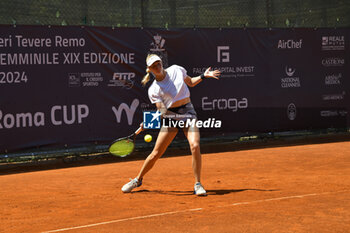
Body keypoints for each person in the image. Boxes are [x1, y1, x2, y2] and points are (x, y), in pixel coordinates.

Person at [121, 54, 220, 196]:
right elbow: (162, 110)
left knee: (195, 145)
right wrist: (150, 120)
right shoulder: (154, 89)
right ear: (149, 69)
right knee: (156, 153)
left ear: (161, 62)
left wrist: (203, 76)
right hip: (170, 115)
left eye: (158, 63)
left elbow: (191, 82)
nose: (157, 66)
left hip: (187, 110)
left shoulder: (176, 69)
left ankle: (198, 184)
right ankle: (138, 179)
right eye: (153, 65)